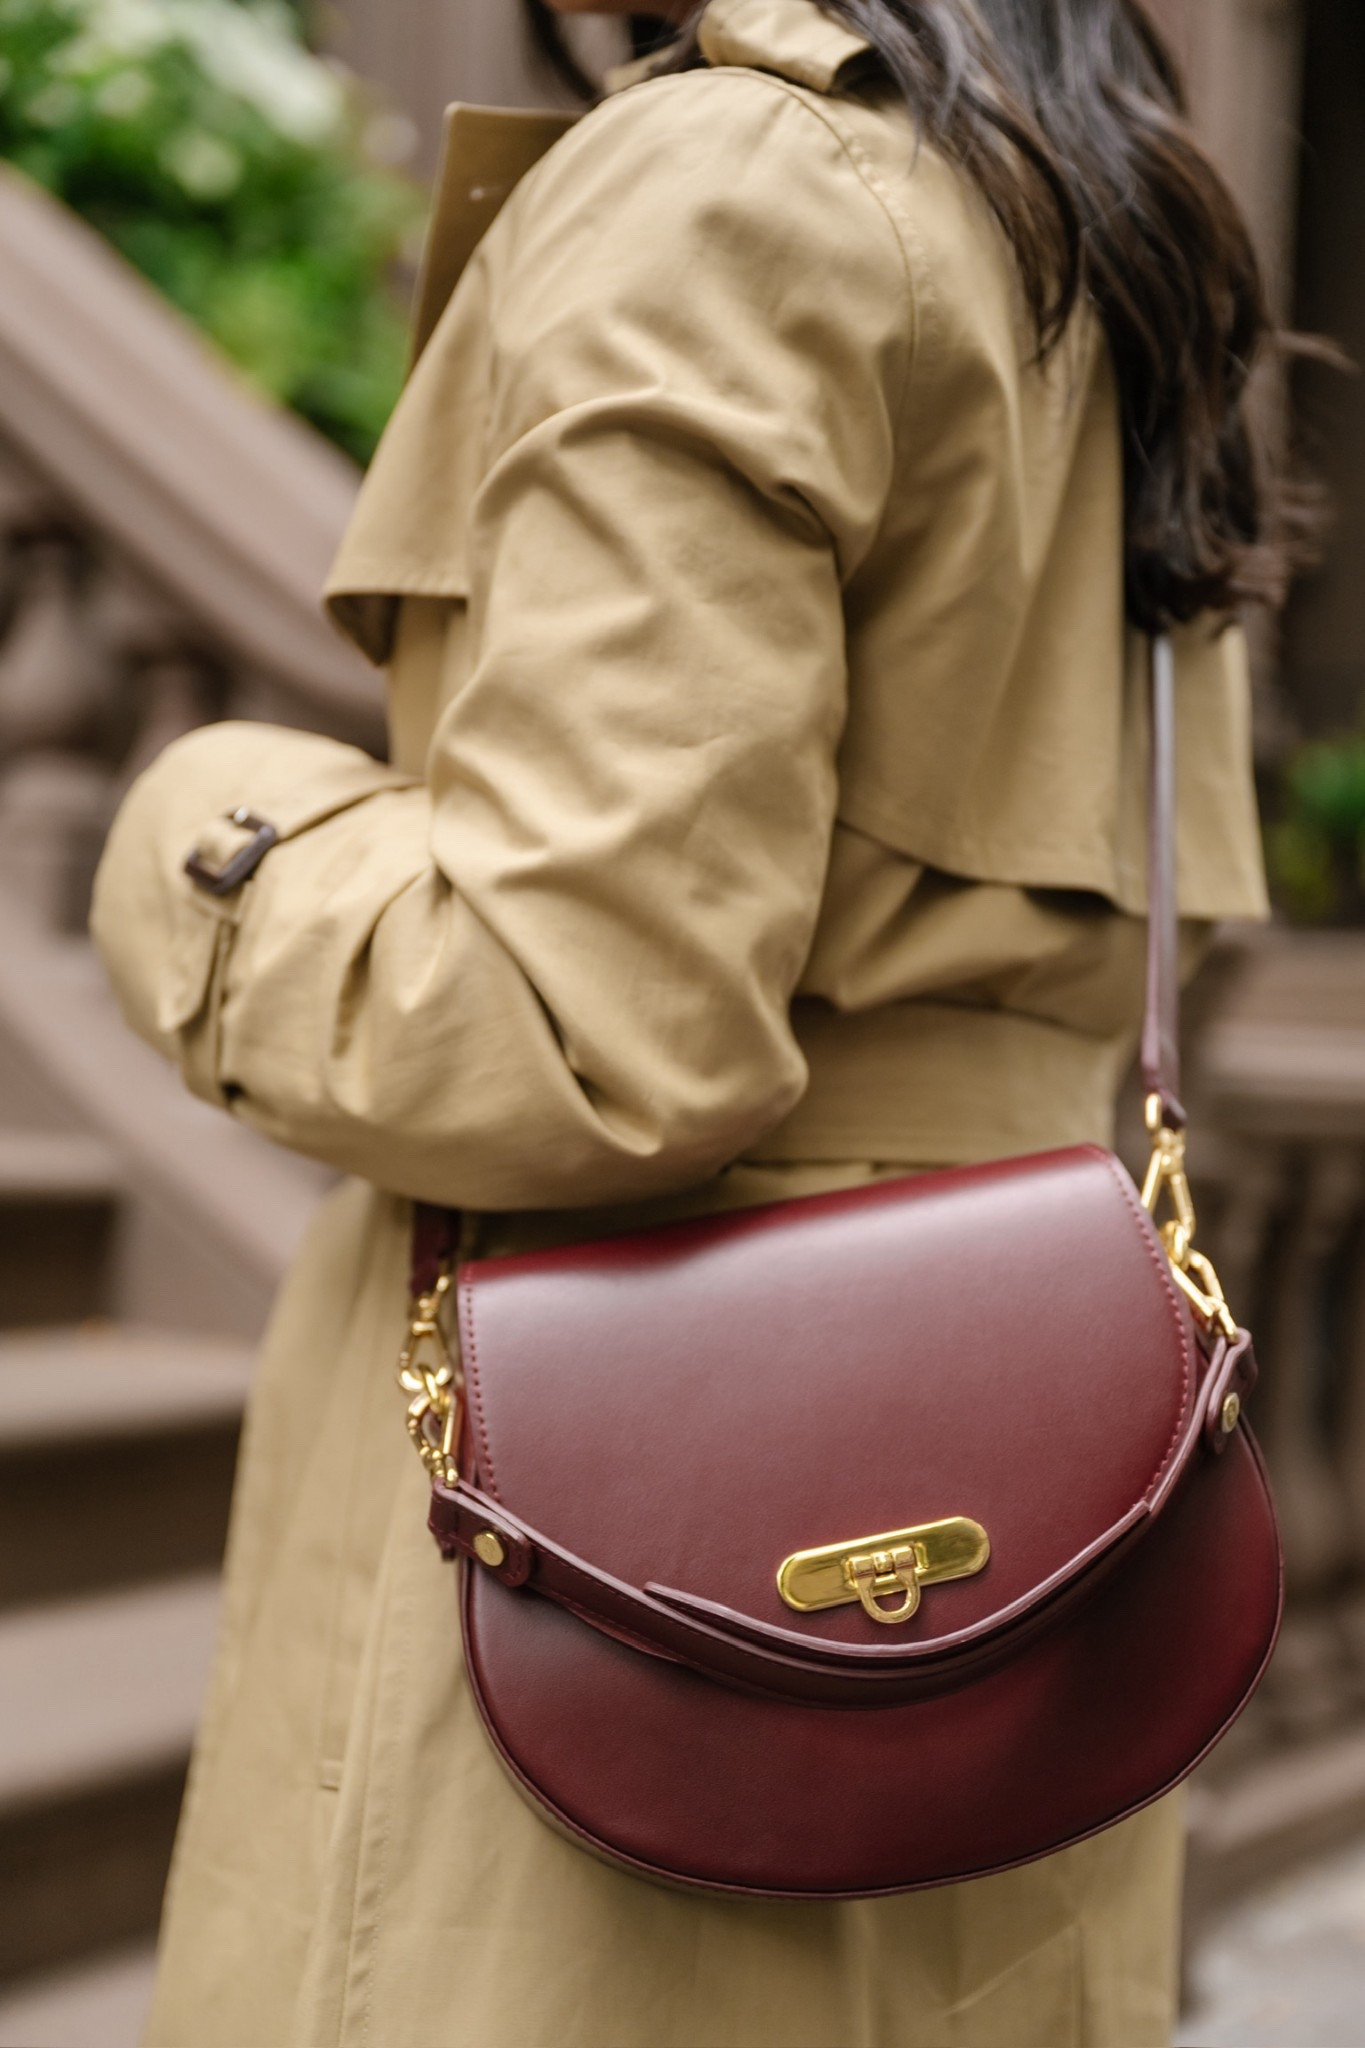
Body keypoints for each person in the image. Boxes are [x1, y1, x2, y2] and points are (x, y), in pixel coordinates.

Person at [91, 2, 1302, 2042]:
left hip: (626, 1536)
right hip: (1028, 1488)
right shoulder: (1089, 222)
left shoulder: (726, 191)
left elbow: (578, 1029)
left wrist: (204, 841)